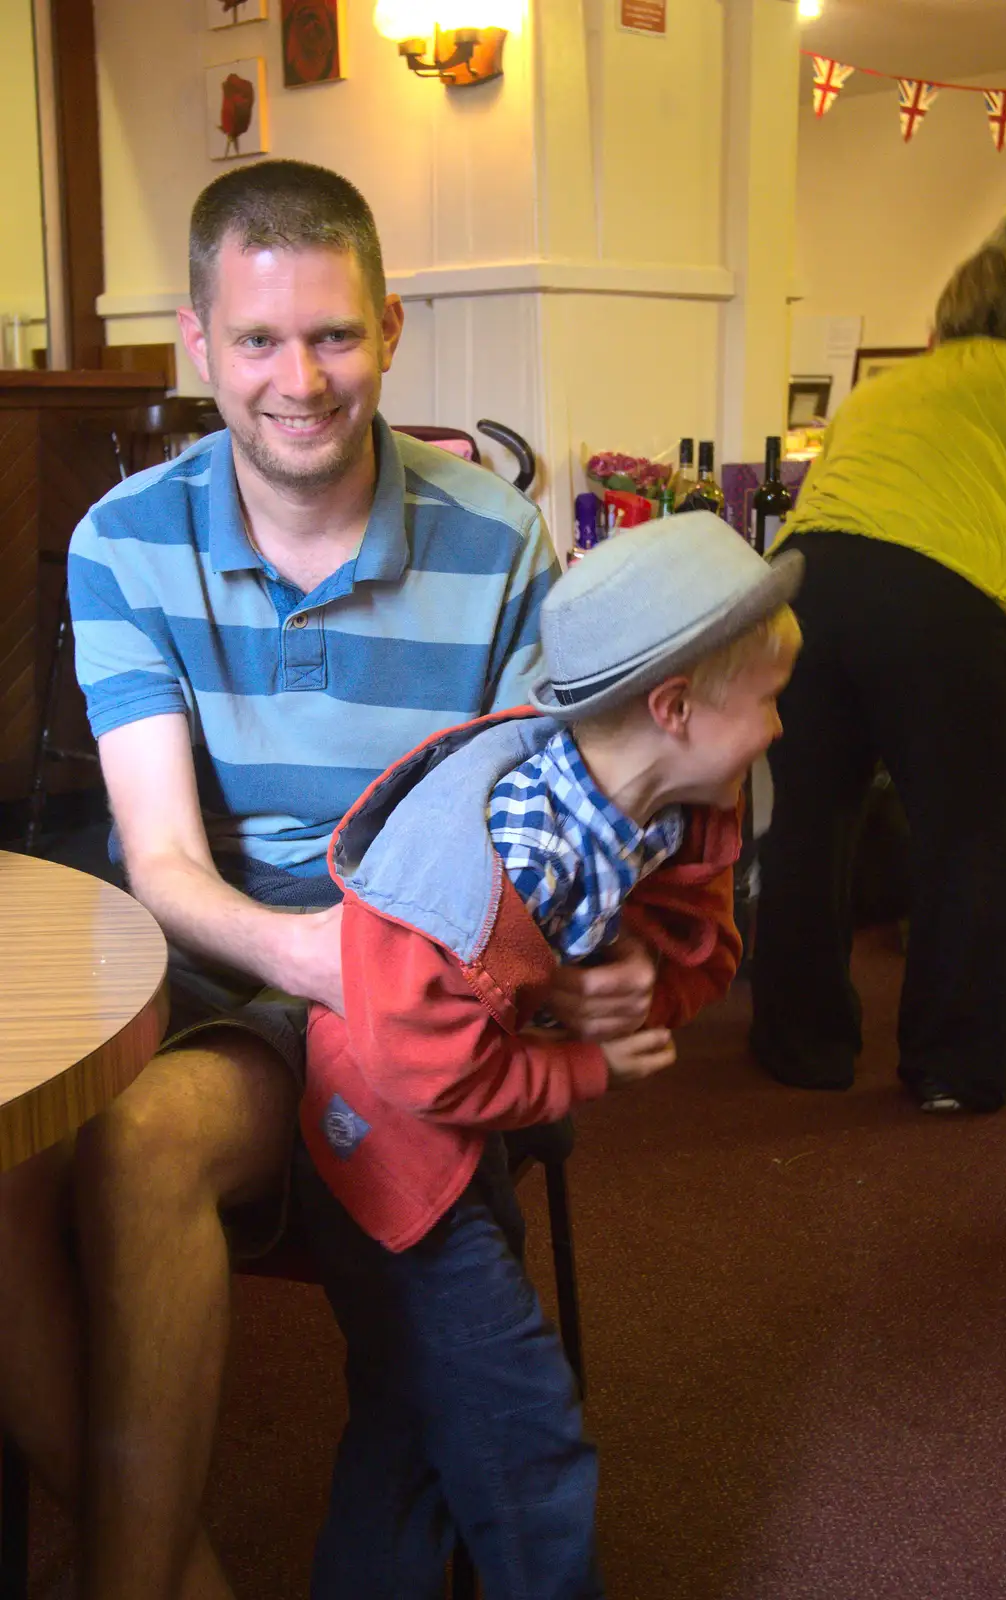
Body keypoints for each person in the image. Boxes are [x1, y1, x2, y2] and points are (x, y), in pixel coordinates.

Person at [0, 158, 659, 1600]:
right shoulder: (123, 540)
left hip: (402, 990)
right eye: (257, 341)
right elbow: (164, 863)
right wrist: (316, 958)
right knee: (6, 1163)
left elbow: (536, 825)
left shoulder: (496, 537)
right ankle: (177, 1570)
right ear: (198, 342)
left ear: (392, 328)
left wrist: (573, 952)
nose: (298, 378)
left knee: (142, 1145)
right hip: (200, 960)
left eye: (334, 335)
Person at [292, 512, 803, 1598]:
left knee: (413, 1411)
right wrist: (588, 1068)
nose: (776, 727)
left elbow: (694, 944)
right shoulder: (504, 851)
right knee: (523, 1434)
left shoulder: (660, 802)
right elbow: (423, 1068)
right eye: (764, 700)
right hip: (390, 1138)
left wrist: (623, 978)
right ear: (671, 709)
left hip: (457, 1131)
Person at [751, 239, 1006, 1113]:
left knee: (805, 825)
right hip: (941, 595)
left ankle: (800, 1047)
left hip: (801, 585)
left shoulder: (886, 389)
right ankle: (959, 1067)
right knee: (970, 838)